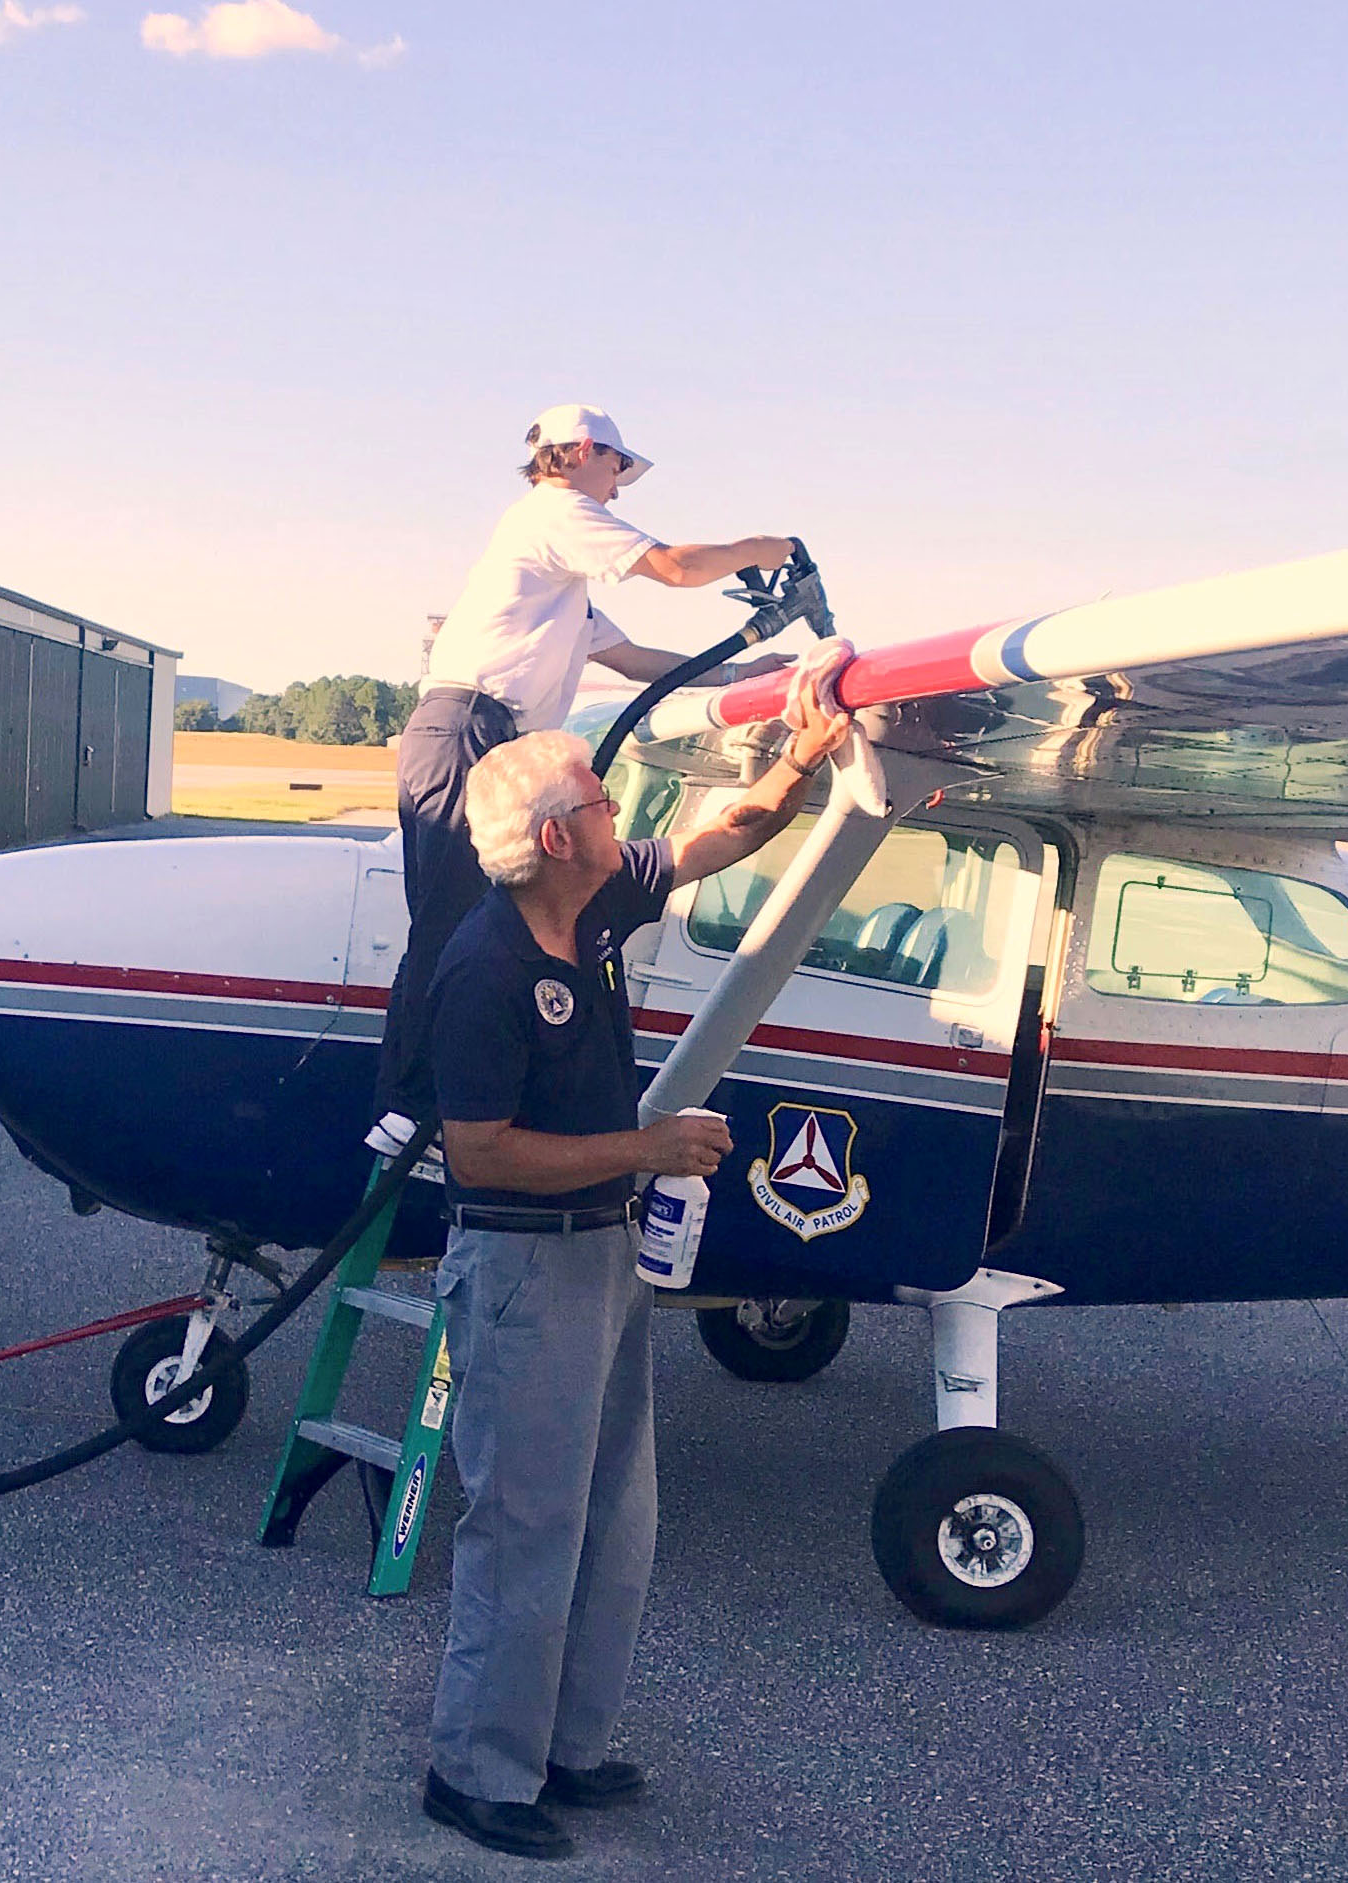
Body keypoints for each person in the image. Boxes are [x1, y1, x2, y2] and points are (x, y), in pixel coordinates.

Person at [417, 704, 852, 1861]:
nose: (626, 815)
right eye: (604, 801)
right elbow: (480, 1152)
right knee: (522, 1522)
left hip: (600, 1255)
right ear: (557, 837)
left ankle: (565, 1743)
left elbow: (723, 833)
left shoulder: (593, 902)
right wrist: (644, 1148)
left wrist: (805, 751)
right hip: (521, 1266)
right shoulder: (486, 970)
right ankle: (474, 1769)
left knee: (615, 1514)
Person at [376, 402, 849, 1128]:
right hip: (470, 729)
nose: (620, 486)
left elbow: (635, 663)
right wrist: (767, 545)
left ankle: (431, 1109)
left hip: (483, 732)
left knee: (466, 921)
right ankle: (414, 1111)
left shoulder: (554, 580)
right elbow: (674, 567)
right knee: (451, 925)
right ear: (583, 452)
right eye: (618, 467)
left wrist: (745, 670)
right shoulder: (553, 512)